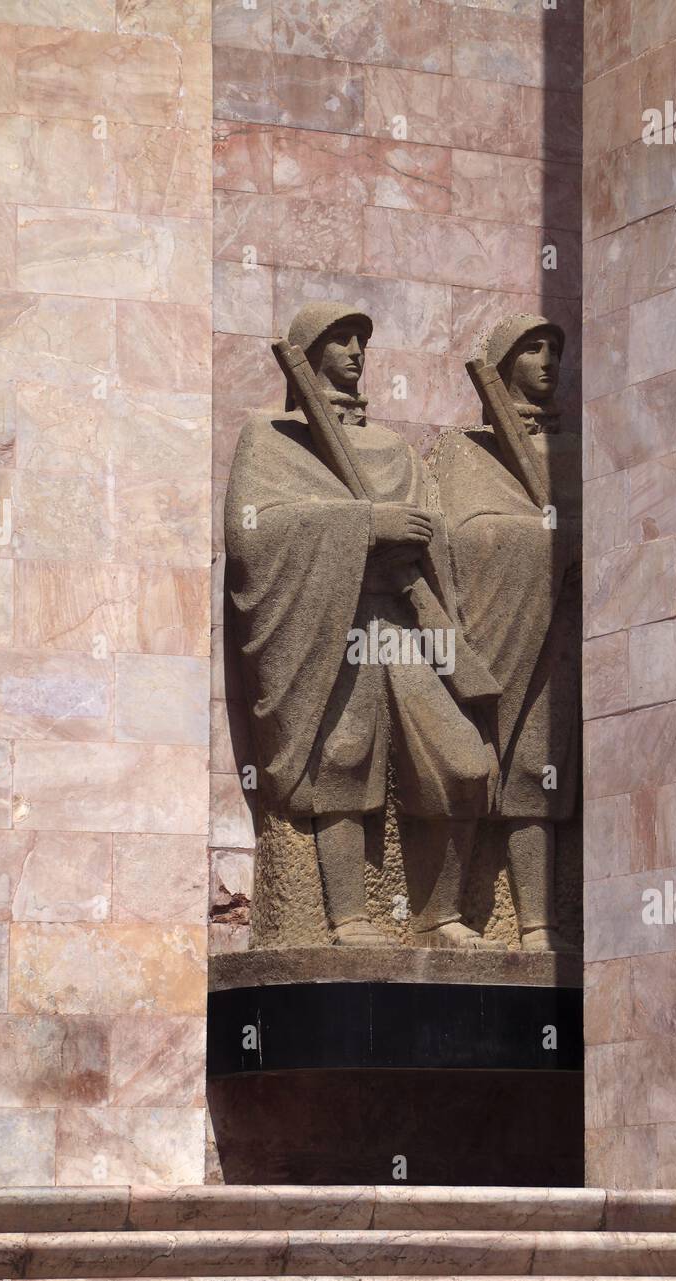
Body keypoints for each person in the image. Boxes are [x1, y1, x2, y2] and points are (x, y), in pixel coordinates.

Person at [224, 301, 498, 948]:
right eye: (340, 339)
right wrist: (363, 528)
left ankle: (440, 914)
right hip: (331, 620)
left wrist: (418, 540)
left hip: (404, 616)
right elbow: (250, 535)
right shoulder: (272, 440)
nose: (355, 351)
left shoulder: (393, 449)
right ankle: (346, 916)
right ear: (308, 351)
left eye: (361, 341)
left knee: (464, 761)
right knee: (342, 757)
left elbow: (440, 540)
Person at [430, 314, 581, 951]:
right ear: (503, 360)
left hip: (557, 637)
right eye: (532, 349)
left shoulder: (577, 450)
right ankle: (439, 912)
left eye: (555, 351)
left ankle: (537, 924)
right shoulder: (462, 451)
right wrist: (537, 539)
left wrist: (572, 540)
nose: (548, 362)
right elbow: (453, 538)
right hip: (489, 629)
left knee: (536, 769)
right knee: (471, 764)